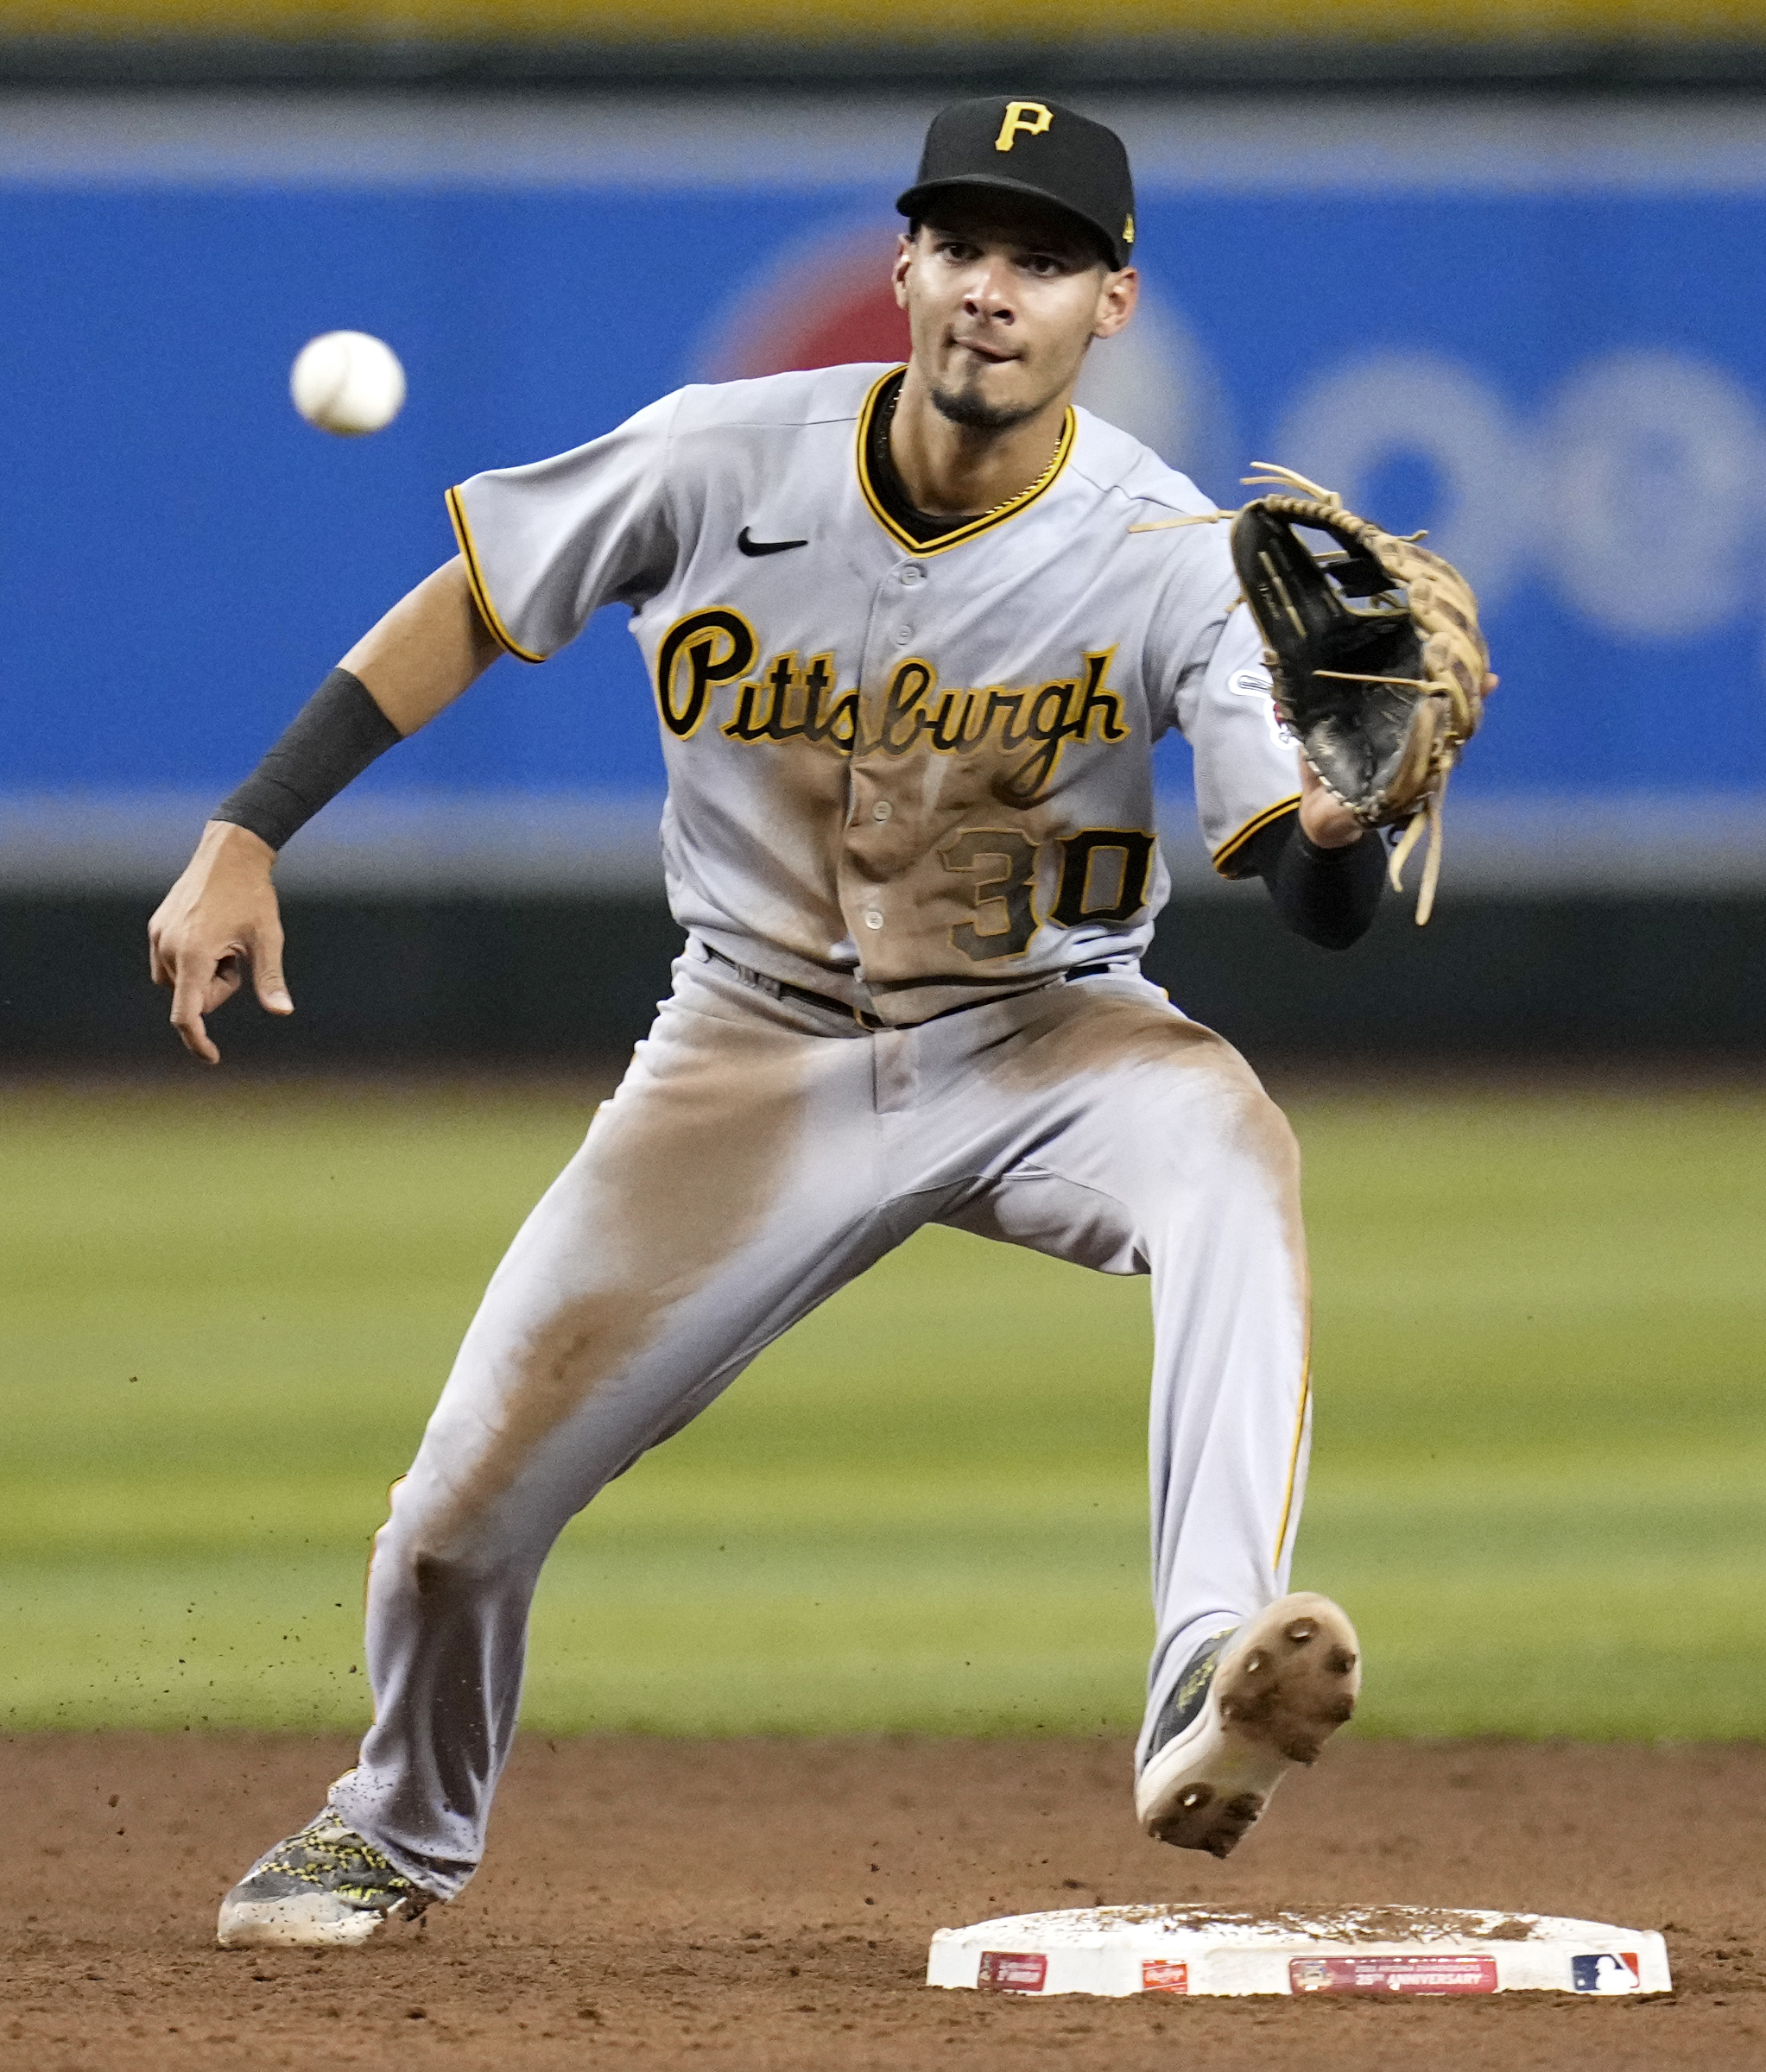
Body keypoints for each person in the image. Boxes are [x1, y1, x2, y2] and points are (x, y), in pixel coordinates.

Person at [150, 95, 1400, 1949]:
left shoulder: (1167, 552)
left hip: (1049, 1040)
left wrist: (1345, 813)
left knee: (1231, 1157)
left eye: (1043, 261)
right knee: (452, 1525)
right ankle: (393, 1828)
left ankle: (1211, 1667)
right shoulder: (723, 455)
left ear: (1110, 305)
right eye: (964, 247)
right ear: (903, 266)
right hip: (748, 1047)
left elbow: (1308, 901)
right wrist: (249, 829)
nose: (995, 292)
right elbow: (484, 602)